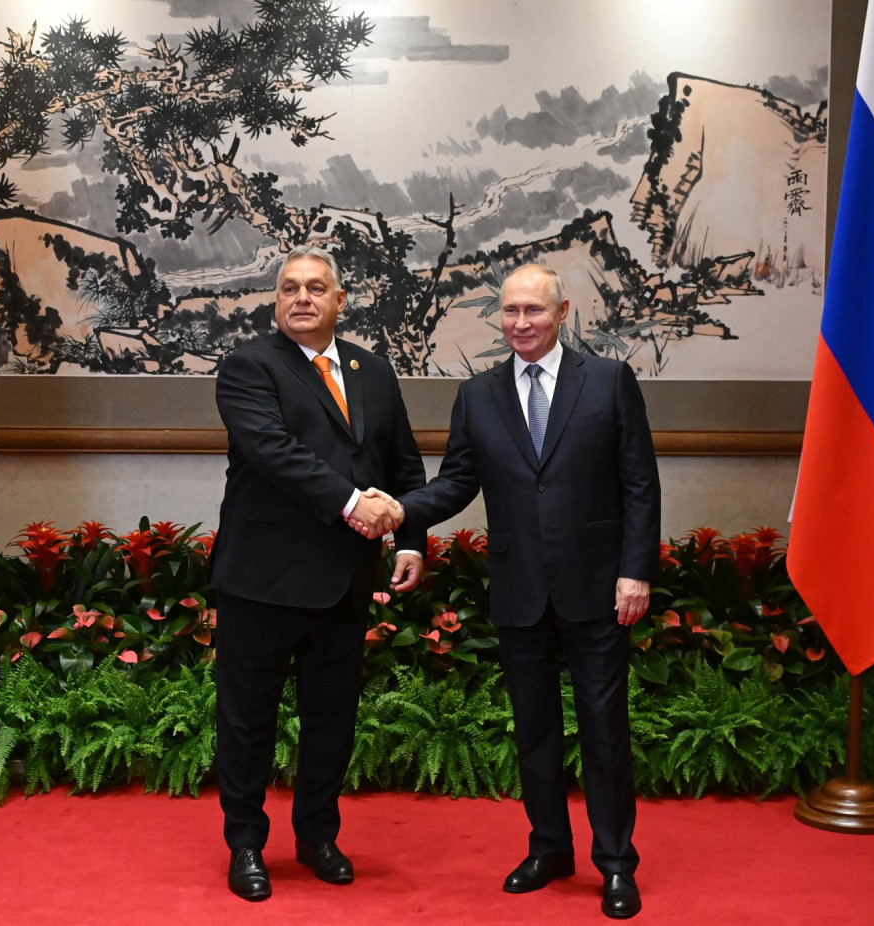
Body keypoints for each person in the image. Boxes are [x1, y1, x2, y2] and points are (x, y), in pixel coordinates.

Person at [352, 263, 659, 919]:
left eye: (534, 311)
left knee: (604, 730)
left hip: (599, 589)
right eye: (510, 312)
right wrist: (401, 512)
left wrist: (637, 571)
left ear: (563, 311)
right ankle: (549, 847)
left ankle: (614, 864)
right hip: (520, 590)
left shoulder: (608, 381)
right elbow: (457, 482)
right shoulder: (479, 393)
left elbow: (640, 483)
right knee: (535, 731)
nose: (520, 323)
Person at [210, 245, 426, 901]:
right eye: (288, 289)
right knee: (248, 721)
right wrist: (353, 502)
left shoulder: (373, 370)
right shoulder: (248, 367)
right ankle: (246, 844)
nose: (301, 298)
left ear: (340, 300)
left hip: (344, 581)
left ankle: (317, 837)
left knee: (331, 718)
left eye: (315, 288)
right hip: (261, 581)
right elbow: (273, 453)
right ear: (276, 303)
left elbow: (404, 464)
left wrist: (410, 538)